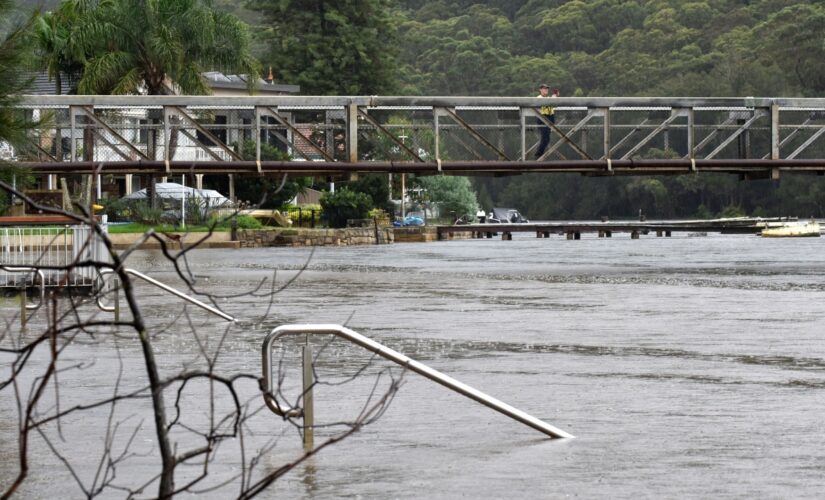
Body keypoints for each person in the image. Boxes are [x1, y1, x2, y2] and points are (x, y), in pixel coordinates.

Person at [535, 83, 558, 159]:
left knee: (547, 138)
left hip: (550, 118)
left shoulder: (548, 98)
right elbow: (546, 103)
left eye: (547, 89)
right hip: (543, 118)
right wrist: (553, 98)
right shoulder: (539, 98)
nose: (546, 90)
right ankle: (538, 154)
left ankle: (539, 154)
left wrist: (555, 97)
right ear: (540, 90)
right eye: (544, 88)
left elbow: (553, 104)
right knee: (545, 138)